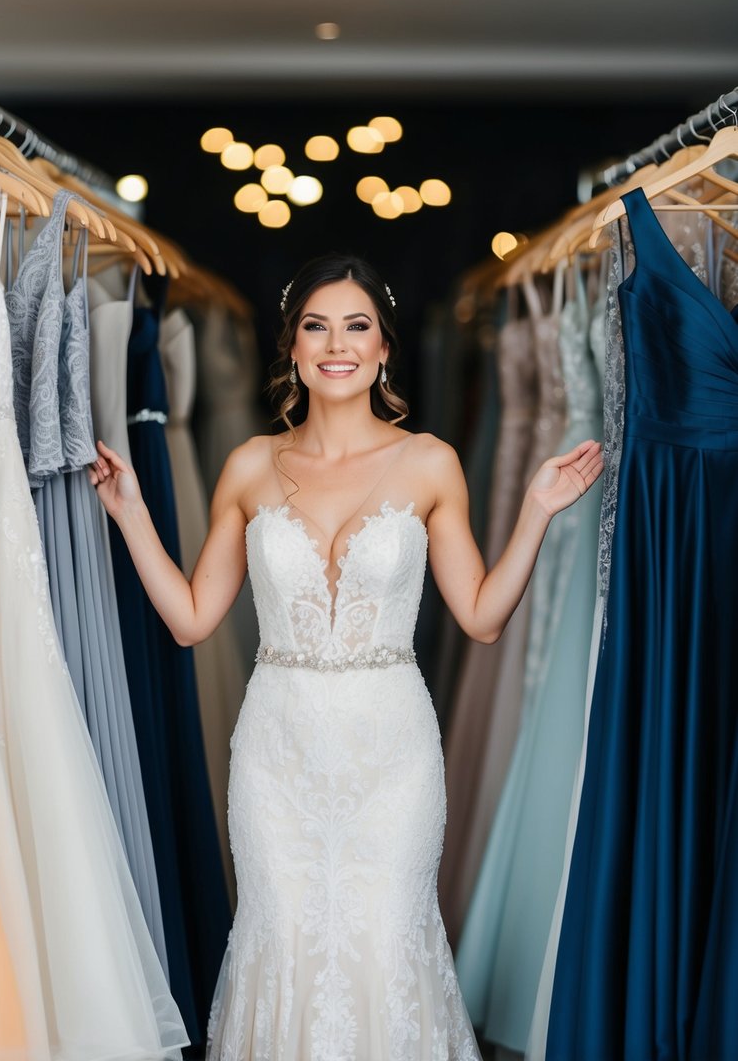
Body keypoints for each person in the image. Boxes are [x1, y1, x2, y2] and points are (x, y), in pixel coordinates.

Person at [90, 255, 603, 1061]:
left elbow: (481, 618)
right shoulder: (250, 466)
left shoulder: (430, 461)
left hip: (390, 751)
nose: (337, 344)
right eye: (316, 326)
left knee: (387, 937)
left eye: (356, 326)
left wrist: (537, 511)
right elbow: (191, 619)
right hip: (276, 752)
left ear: (384, 349)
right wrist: (128, 513)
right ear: (292, 349)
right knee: (282, 940)